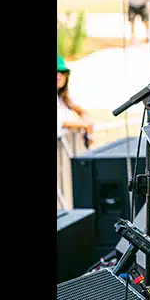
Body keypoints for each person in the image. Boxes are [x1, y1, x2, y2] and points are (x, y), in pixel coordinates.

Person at [58, 55, 92, 207]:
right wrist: (84, 125)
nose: (59, 76)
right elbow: (61, 123)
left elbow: (82, 111)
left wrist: (86, 122)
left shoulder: (63, 98)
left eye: (62, 72)